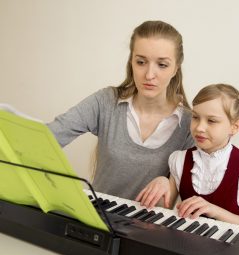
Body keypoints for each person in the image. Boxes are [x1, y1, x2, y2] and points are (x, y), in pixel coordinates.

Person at [47, 20, 194, 200]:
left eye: (162, 65)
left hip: (149, 227)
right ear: (131, 61)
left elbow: (191, 189)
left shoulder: (191, 124)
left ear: (175, 68)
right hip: (97, 221)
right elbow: (50, 136)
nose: (149, 75)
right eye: (141, 62)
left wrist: (169, 183)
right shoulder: (106, 101)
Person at [136, 83, 239, 232]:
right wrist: (163, 182)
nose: (199, 127)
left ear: (235, 126)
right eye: (195, 117)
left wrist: (215, 211)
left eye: (211, 121)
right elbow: (164, 211)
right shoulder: (179, 160)